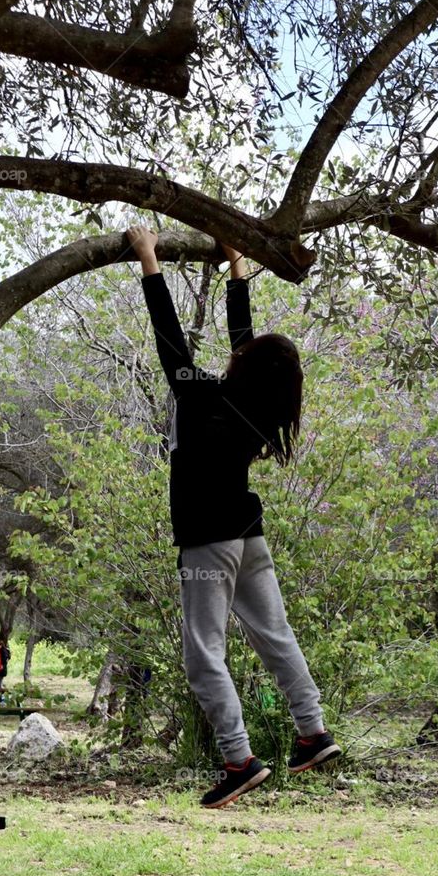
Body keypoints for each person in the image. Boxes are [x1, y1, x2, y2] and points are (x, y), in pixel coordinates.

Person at [125, 225, 341, 809]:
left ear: (247, 366)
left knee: (204, 653)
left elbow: (169, 338)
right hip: (249, 537)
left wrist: (149, 259)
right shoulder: (255, 409)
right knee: (275, 636)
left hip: (208, 542)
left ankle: (239, 759)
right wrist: (237, 269)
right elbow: (242, 343)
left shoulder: (203, 395)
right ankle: (312, 732)